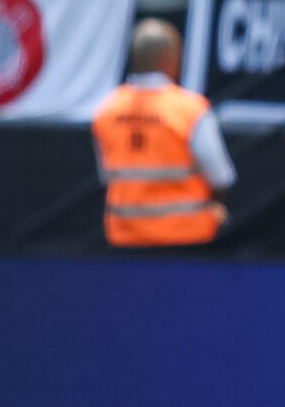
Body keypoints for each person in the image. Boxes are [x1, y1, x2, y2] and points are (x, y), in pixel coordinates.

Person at [92, 19, 236, 247]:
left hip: (124, 239)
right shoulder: (190, 109)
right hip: (187, 238)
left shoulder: (106, 110)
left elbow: (106, 177)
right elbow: (222, 178)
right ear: (169, 57)